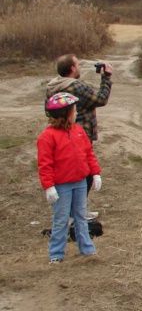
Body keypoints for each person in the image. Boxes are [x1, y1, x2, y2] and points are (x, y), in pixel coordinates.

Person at [37, 92, 102, 264]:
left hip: (80, 182)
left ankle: (87, 248)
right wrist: (49, 186)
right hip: (61, 186)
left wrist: (95, 173)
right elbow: (45, 164)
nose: (76, 113)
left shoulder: (78, 131)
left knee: (81, 216)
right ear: (65, 114)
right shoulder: (47, 136)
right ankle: (56, 254)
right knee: (61, 219)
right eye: (73, 111)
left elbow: (89, 154)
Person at [46, 54, 112, 218]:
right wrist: (106, 77)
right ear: (72, 68)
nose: (79, 67)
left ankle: (72, 210)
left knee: (67, 171)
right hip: (79, 134)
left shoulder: (52, 86)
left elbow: (48, 110)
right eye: (77, 64)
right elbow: (101, 99)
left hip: (60, 134)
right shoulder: (75, 86)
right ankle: (77, 211)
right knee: (85, 172)